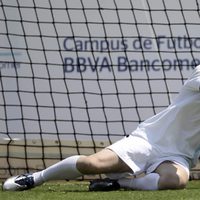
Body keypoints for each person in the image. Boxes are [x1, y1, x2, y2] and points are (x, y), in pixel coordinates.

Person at [2, 65, 200, 191]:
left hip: (178, 156)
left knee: (174, 182)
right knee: (91, 165)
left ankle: (120, 183)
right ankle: (35, 178)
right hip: (149, 140)